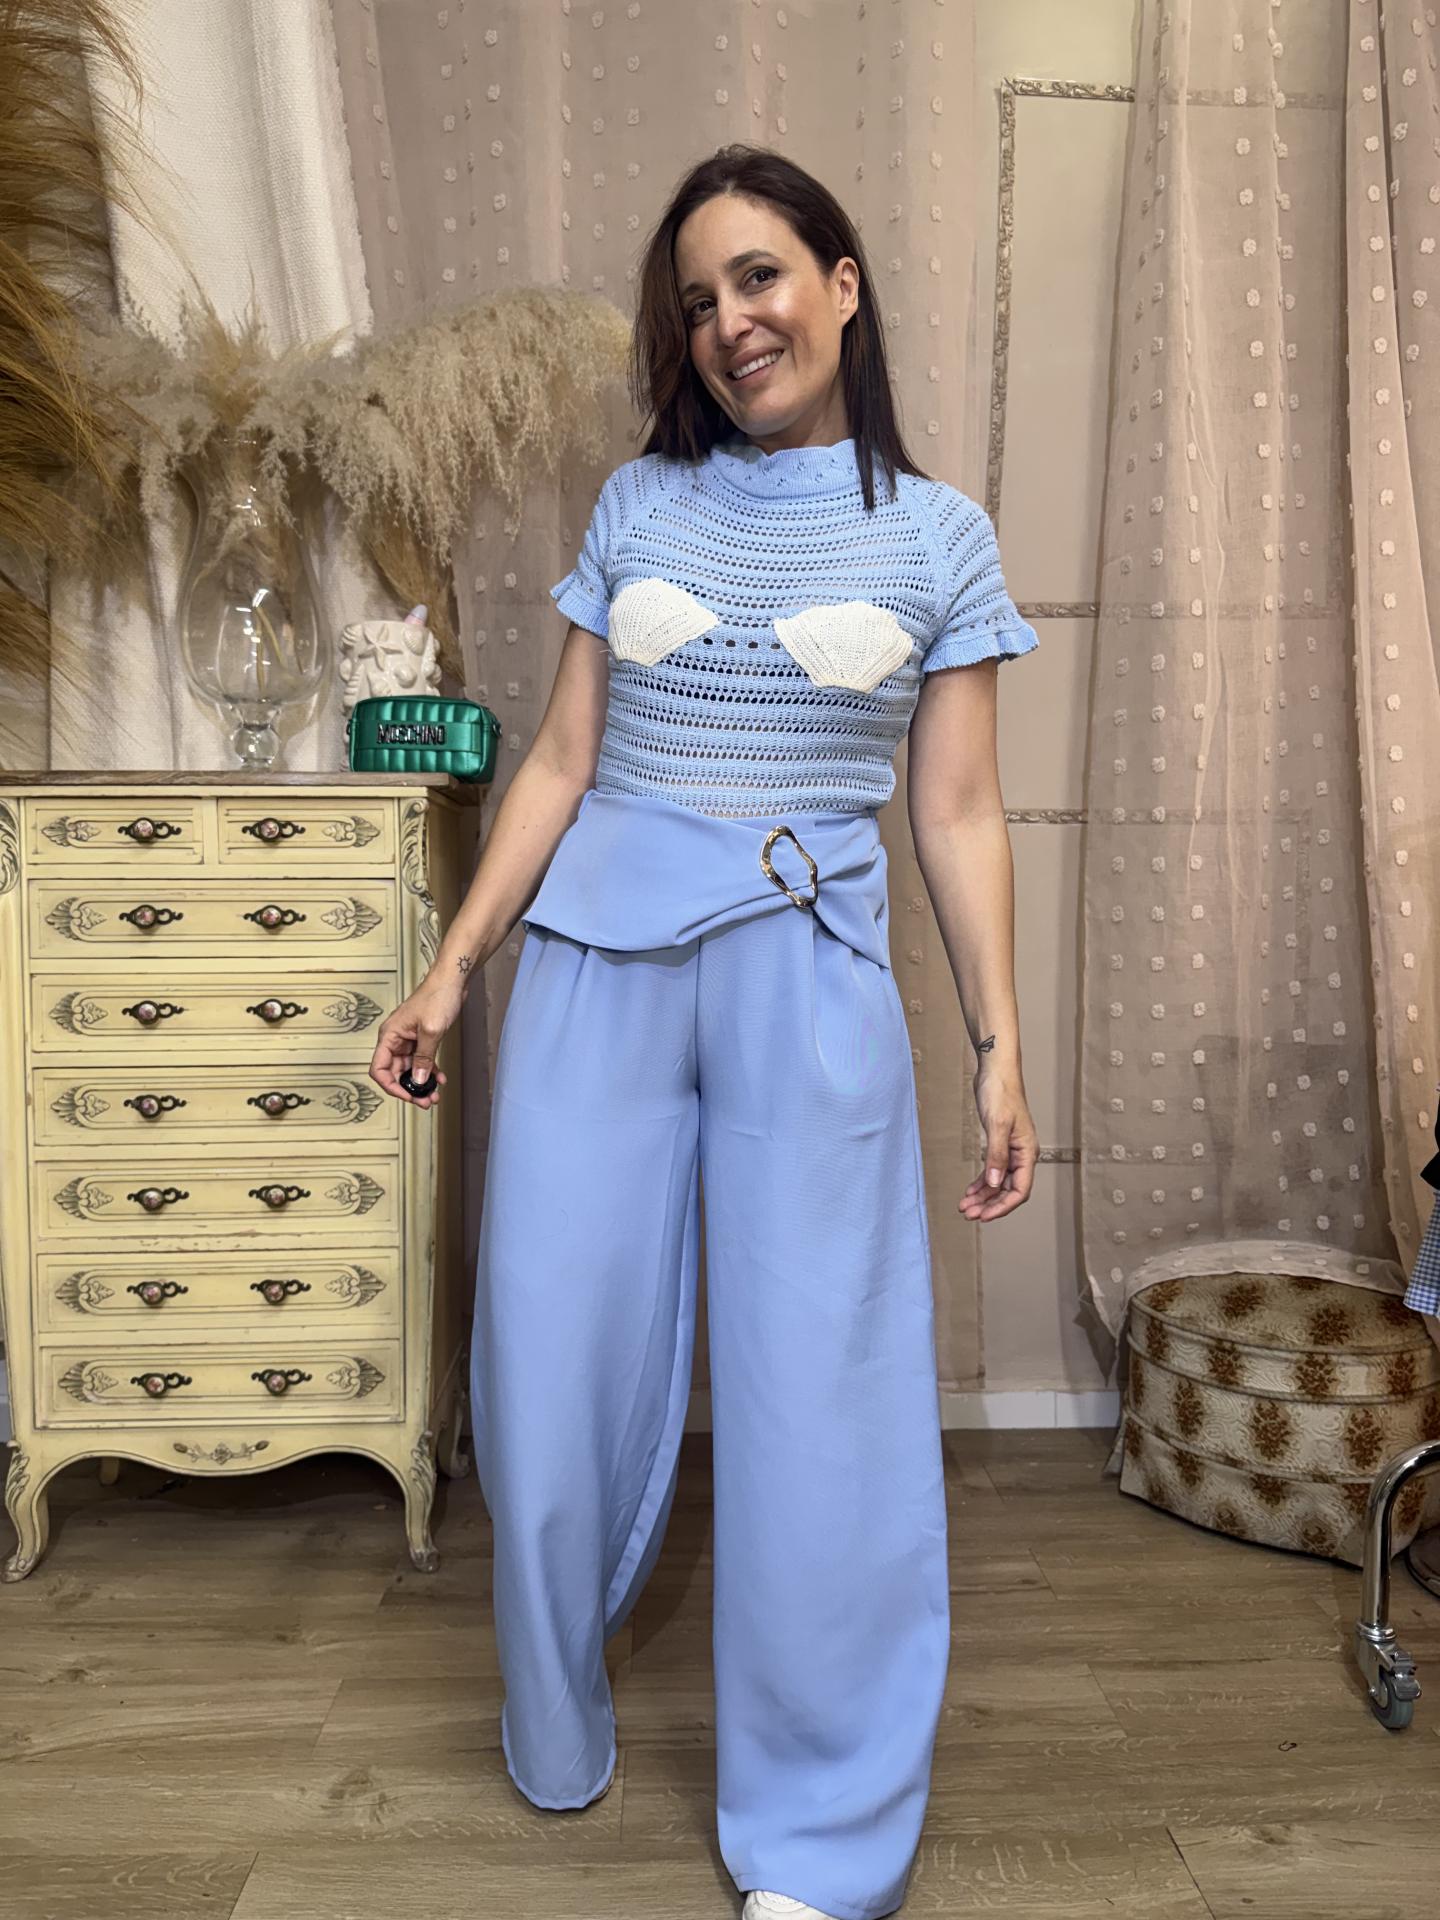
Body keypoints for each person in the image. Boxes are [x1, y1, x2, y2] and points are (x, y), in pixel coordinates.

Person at [368, 143, 1040, 1920]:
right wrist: (454, 967)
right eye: (697, 298)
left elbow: (958, 811)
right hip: (596, 963)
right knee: (546, 1362)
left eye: (759, 277)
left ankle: (816, 1842)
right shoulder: (640, 506)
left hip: (806, 974)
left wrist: (999, 1046)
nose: (730, 321)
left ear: (840, 285)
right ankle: (556, 1714)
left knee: (823, 1395)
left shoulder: (940, 536)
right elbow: (561, 760)